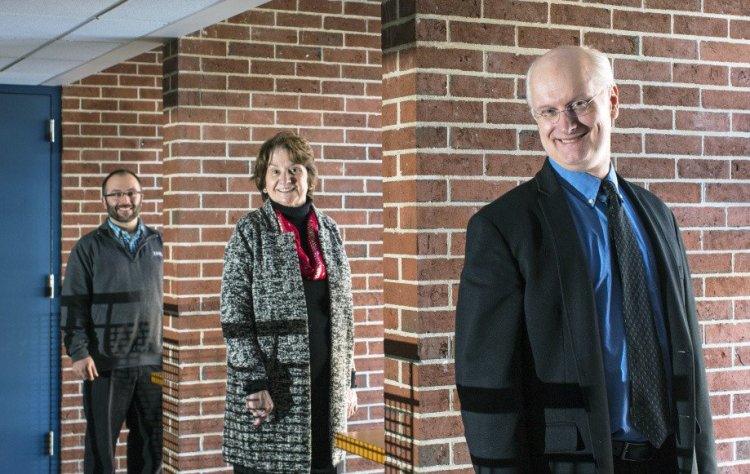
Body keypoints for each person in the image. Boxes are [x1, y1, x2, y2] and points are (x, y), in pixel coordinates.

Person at [455, 46, 716, 474]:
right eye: (548, 111)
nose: (565, 124)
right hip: (575, 465)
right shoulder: (504, 229)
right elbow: (488, 386)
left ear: (612, 102)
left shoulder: (657, 215)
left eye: (579, 103)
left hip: (672, 459)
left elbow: (691, 361)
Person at [220, 131, 358, 473]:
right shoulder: (250, 231)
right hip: (273, 387)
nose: (286, 179)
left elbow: (344, 314)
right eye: (275, 170)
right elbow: (234, 314)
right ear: (263, 180)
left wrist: (349, 381)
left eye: (295, 169)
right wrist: (254, 382)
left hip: (327, 385)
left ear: (308, 175)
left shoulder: (329, 230)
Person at [62, 169, 163, 473]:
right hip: (105, 364)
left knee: (152, 445)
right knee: (101, 448)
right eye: (116, 194)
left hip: (152, 365)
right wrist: (78, 352)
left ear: (141, 196)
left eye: (131, 192)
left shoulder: (158, 242)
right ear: (104, 199)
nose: (124, 200)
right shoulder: (88, 247)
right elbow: (73, 302)